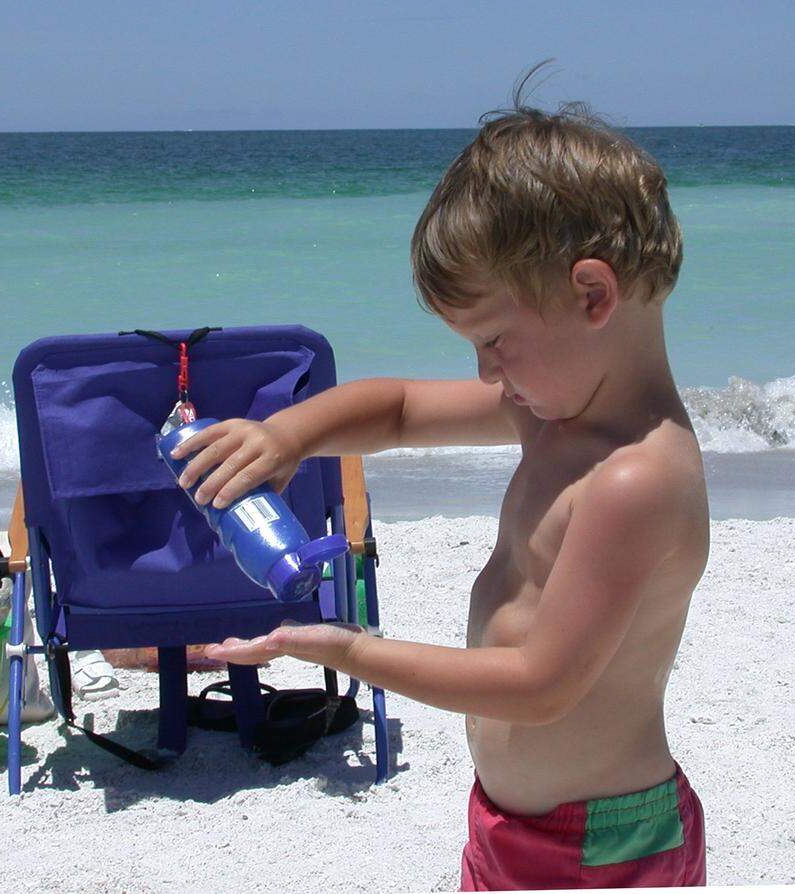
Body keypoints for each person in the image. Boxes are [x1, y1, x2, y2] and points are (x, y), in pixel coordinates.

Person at [176, 95, 709, 890]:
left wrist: (352, 651)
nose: (486, 371)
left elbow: (540, 685)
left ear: (592, 296)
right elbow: (397, 410)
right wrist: (287, 435)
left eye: (493, 340)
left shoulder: (635, 479)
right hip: (508, 823)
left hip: (602, 847)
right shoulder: (555, 413)